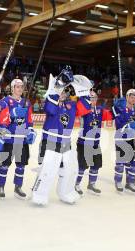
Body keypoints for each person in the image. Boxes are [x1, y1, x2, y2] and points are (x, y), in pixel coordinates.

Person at [31, 66, 80, 206]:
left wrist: (84, 91)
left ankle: (66, 192)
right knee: (47, 169)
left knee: (68, 169)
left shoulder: (71, 105)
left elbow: (85, 107)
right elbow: (50, 109)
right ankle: (39, 193)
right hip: (51, 140)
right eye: (61, 90)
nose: (63, 93)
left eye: (66, 90)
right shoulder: (51, 101)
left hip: (65, 142)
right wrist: (57, 86)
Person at [0, 78, 35, 200]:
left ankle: (18, 187)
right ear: (12, 88)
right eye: (17, 86)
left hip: (22, 139)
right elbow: (2, 120)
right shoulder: (5, 101)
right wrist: (12, 113)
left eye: (21, 87)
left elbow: (29, 120)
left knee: (21, 166)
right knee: (4, 165)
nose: (20, 89)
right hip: (9, 139)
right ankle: (1, 186)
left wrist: (31, 131)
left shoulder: (27, 102)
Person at [75, 89, 112, 195]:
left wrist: (119, 108)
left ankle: (91, 184)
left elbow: (110, 116)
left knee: (96, 165)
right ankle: (76, 184)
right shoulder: (83, 109)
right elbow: (79, 107)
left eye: (95, 98)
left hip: (95, 143)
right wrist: (83, 97)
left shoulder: (99, 110)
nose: (93, 100)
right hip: (84, 142)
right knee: (82, 166)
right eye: (91, 98)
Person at [111, 89, 135, 193]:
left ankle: (130, 183)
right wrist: (128, 125)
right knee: (121, 162)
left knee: (134, 162)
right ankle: (118, 181)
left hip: (133, 139)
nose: (133, 99)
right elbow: (119, 124)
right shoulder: (119, 108)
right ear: (127, 97)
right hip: (121, 138)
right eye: (131, 97)